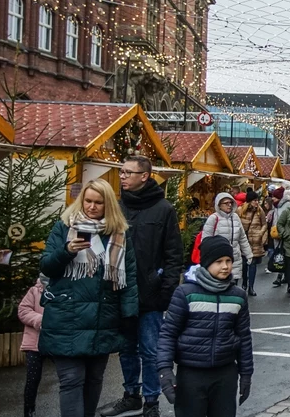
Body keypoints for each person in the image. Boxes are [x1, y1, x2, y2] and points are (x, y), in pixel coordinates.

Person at [40, 180, 140, 417]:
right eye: (88, 201)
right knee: (72, 379)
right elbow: (46, 266)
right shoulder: (64, 227)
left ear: (108, 205)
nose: (92, 207)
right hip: (66, 316)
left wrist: (129, 314)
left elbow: (130, 277)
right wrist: (66, 251)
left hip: (102, 318)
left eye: (98, 202)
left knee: (94, 379)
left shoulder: (119, 234)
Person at [102, 156, 182, 417]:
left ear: (144, 176)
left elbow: (173, 255)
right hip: (120, 291)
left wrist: (165, 293)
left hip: (151, 295)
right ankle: (130, 394)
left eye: (128, 172)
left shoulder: (164, 209)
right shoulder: (117, 207)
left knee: (150, 350)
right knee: (126, 348)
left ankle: (151, 401)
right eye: (121, 172)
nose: (122, 176)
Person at [156, 237, 254, 417]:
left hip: (225, 374)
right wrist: (164, 369)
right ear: (206, 263)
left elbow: (244, 337)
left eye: (228, 261)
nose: (225, 266)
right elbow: (168, 333)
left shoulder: (237, 296)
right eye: (218, 262)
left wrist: (246, 373)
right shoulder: (186, 293)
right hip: (191, 374)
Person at [202, 192, 254, 288]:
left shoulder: (235, 218)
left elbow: (242, 238)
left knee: (233, 285)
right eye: (226, 203)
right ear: (219, 205)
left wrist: (249, 254)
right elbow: (205, 241)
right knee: (219, 284)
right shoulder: (213, 218)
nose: (229, 205)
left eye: (230, 202)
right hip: (217, 258)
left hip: (234, 257)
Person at [18, 276, 49, 417]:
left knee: (68, 377)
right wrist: (40, 320)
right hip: (34, 344)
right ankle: (29, 410)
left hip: (56, 343)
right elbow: (23, 311)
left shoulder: (63, 289)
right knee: (32, 379)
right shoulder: (34, 291)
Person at [238, 192, 268, 296]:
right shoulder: (240, 210)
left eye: (257, 200)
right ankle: (244, 283)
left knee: (253, 264)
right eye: (255, 200)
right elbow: (237, 224)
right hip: (244, 241)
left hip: (255, 241)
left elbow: (264, 224)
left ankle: (251, 287)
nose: (257, 202)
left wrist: (261, 234)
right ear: (250, 201)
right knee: (244, 264)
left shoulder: (260, 211)